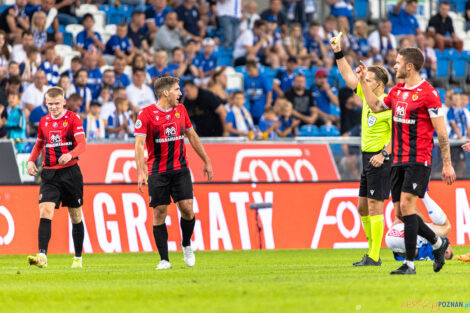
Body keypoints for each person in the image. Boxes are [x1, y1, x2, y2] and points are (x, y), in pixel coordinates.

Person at [358, 47, 456, 275]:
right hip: (397, 160)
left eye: (398, 62)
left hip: (418, 158)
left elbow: (441, 132)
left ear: (409, 66)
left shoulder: (429, 94)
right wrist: (363, 81)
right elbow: (375, 106)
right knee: (402, 213)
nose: (394, 66)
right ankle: (439, 243)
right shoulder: (397, 91)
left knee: (408, 206)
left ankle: (409, 265)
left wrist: (448, 163)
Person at [134, 76, 213, 270]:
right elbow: (139, 145)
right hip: (157, 171)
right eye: (177, 90)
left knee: (187, 208)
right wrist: (140, 171)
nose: (180, 93)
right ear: (165, 93)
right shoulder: (146, 115)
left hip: (180, 169)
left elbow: (192, 136)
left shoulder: (181, 110)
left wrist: (206, 160)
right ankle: (164, 259)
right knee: (160, 212)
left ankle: (186, 243)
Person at [332, 36, 392, 266]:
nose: (363, 80)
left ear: (379, 83)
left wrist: (384, 154)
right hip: (367, 156)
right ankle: (372, 251)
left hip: (379, 157)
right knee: (362, 207)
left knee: (376, 206)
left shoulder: (386, 103)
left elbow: (396, 135)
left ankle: (374, 256)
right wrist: (339, 53)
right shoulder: (368, 97)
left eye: (368, 79)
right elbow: (348, 76)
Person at [26, 86, 87, 269]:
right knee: (45, 211)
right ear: (46, 103)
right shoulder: (44, 121)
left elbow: (82, 144)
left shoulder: (73, 119)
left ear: (64, 102)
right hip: (49, 173)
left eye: (57, 104)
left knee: (75, 215)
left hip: (70, 172)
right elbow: (39, 144)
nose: (53, 107)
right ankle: (42, 256)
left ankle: (77, 258)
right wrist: (30, 161)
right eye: (50, 104)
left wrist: (71, 154)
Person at [386, 193, 453, 262]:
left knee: (446, 227)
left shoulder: (435, 246)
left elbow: (422, 224)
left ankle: (424, 194)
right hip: (390, 240)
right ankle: (420, 196)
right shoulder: (431, 251)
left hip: (399, 238)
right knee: (413, 217)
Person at [447, 93, 470, 178]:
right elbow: (454, 125)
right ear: (452, 101)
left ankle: (459, 179)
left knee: (462, 164)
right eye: (455, 99)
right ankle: (448, 180)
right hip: (454, 141)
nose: (457, 101)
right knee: (452, 162)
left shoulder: (463, 111)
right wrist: (460, 138)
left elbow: (466, 124)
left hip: (462, 141)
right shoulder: (450, 111)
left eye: (458, 99)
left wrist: (467, 134)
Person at [244, 60, 272, 125]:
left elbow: (269, 92)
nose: (250, 72)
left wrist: (268, 103)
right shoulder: (246, 79)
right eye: (248, 71)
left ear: (256, 68)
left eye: (251, 70)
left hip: (261, 106)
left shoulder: (262, 79)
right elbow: (245, 91)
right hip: (251, 106)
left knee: (261, 123)